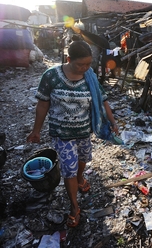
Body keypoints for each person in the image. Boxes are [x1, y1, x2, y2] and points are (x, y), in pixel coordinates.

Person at [27, 40, 119, 228]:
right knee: (68, 169)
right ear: (69, 59)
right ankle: (74, 207)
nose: (85, 68)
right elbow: (43, 103)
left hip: (84, 132)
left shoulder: (90, 77)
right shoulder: (51, 76)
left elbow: (103, 100)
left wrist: (113, 122)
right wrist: (36, 130)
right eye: (80, 64)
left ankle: (80, 177)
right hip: (62, 134)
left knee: (83, 159)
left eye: (88, 64)